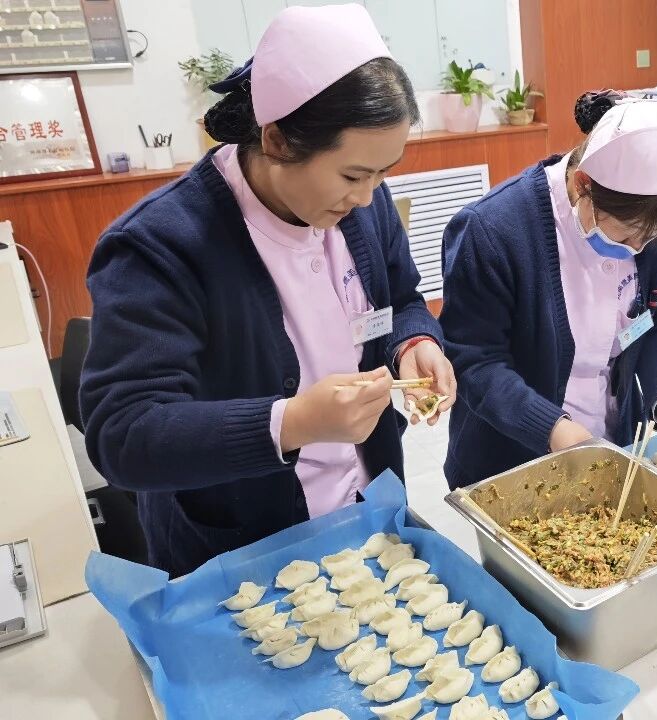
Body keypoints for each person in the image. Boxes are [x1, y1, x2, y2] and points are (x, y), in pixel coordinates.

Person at [80, 5, 455, 576]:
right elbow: (123, 434)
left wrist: (414, 342)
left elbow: (402, 298)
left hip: (367, 506)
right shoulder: (161, 245)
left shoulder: (364, 205)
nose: (368, 196)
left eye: (383, 173)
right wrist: (292, 421)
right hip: (242, 544)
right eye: (353, 175)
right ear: (277, 140)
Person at [439, 93, 657, 489]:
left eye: (651, 239)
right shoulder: (493, 230)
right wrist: (552, 428)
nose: (639, 249)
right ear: (584, 184)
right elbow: (475, 362)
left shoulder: (653, 226)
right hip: (509, 460)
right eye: (627, 235)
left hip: (612, 441)